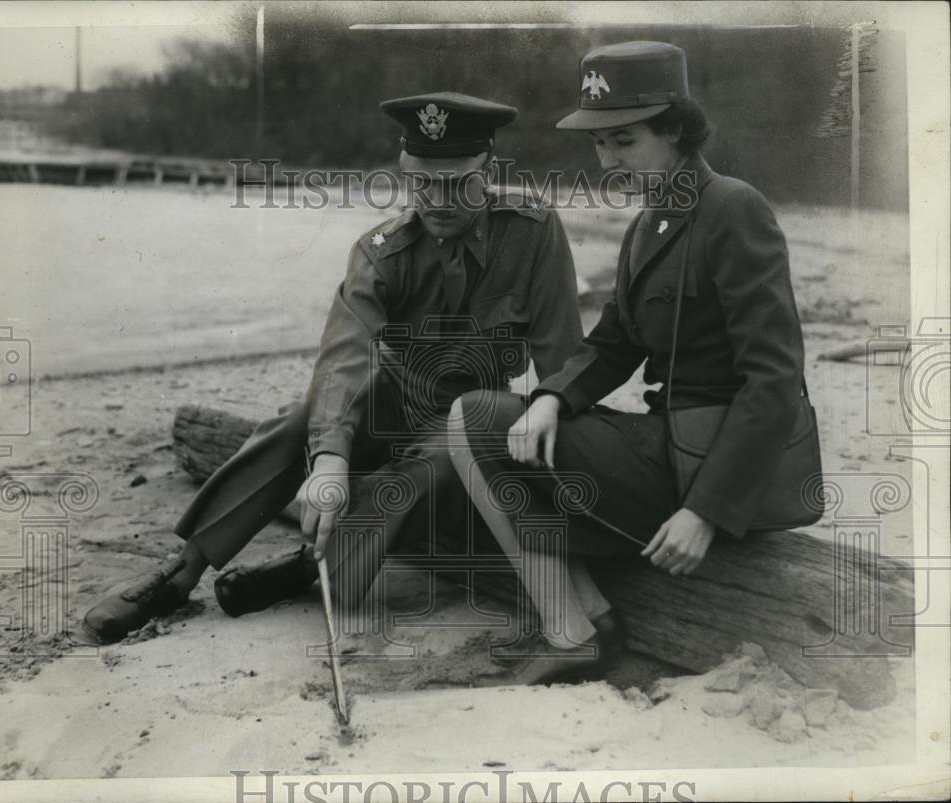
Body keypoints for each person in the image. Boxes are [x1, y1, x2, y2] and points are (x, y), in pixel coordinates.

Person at [82, 92, 585, 644]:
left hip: (473, 413)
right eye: (422, 183)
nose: (436, 200)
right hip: (393, 394)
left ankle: (308, 568)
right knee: (301, 419)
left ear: (487, 168)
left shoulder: (533, 232)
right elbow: (344, 358)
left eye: (455, 182)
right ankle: (180, 571)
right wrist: (327, 462)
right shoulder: (381, 251)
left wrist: (554, 434)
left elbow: (561, 354)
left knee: (426, 470)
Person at [448, 42, 807, 685]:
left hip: (708, 466)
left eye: (624, 141)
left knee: (475, 418)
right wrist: (552, 397)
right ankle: (582, 626)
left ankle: (573, 630)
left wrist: (707, 510)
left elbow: (774, 378)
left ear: (674, 129)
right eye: (600, 145)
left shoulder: (732, 207)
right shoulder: (651, 222)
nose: (608, 161)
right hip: (666, 447)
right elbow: (616, 341)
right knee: (500, 422)